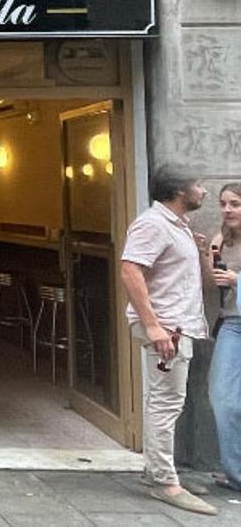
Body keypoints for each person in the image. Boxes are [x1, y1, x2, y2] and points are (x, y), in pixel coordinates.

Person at [119, 165, 217, 516]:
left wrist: (202, 254)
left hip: (178, 325)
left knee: (165, 400)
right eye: (198, 184)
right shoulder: (153, 224)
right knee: (165, 403)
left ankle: (158, 470)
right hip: (168, 328)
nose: (204, 192)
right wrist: (154, 326)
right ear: (179, 190)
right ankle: (164, 481)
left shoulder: (178, 226)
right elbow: (130, 269)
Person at [209, 183, 241, 494]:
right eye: (223, 203)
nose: (228, 209)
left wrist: (237, 280)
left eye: (236, 204)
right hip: (233, 323)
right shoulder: (223, 240)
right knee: (223, 398)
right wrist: (206, 251)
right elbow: (211, 279)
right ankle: (236, 472)